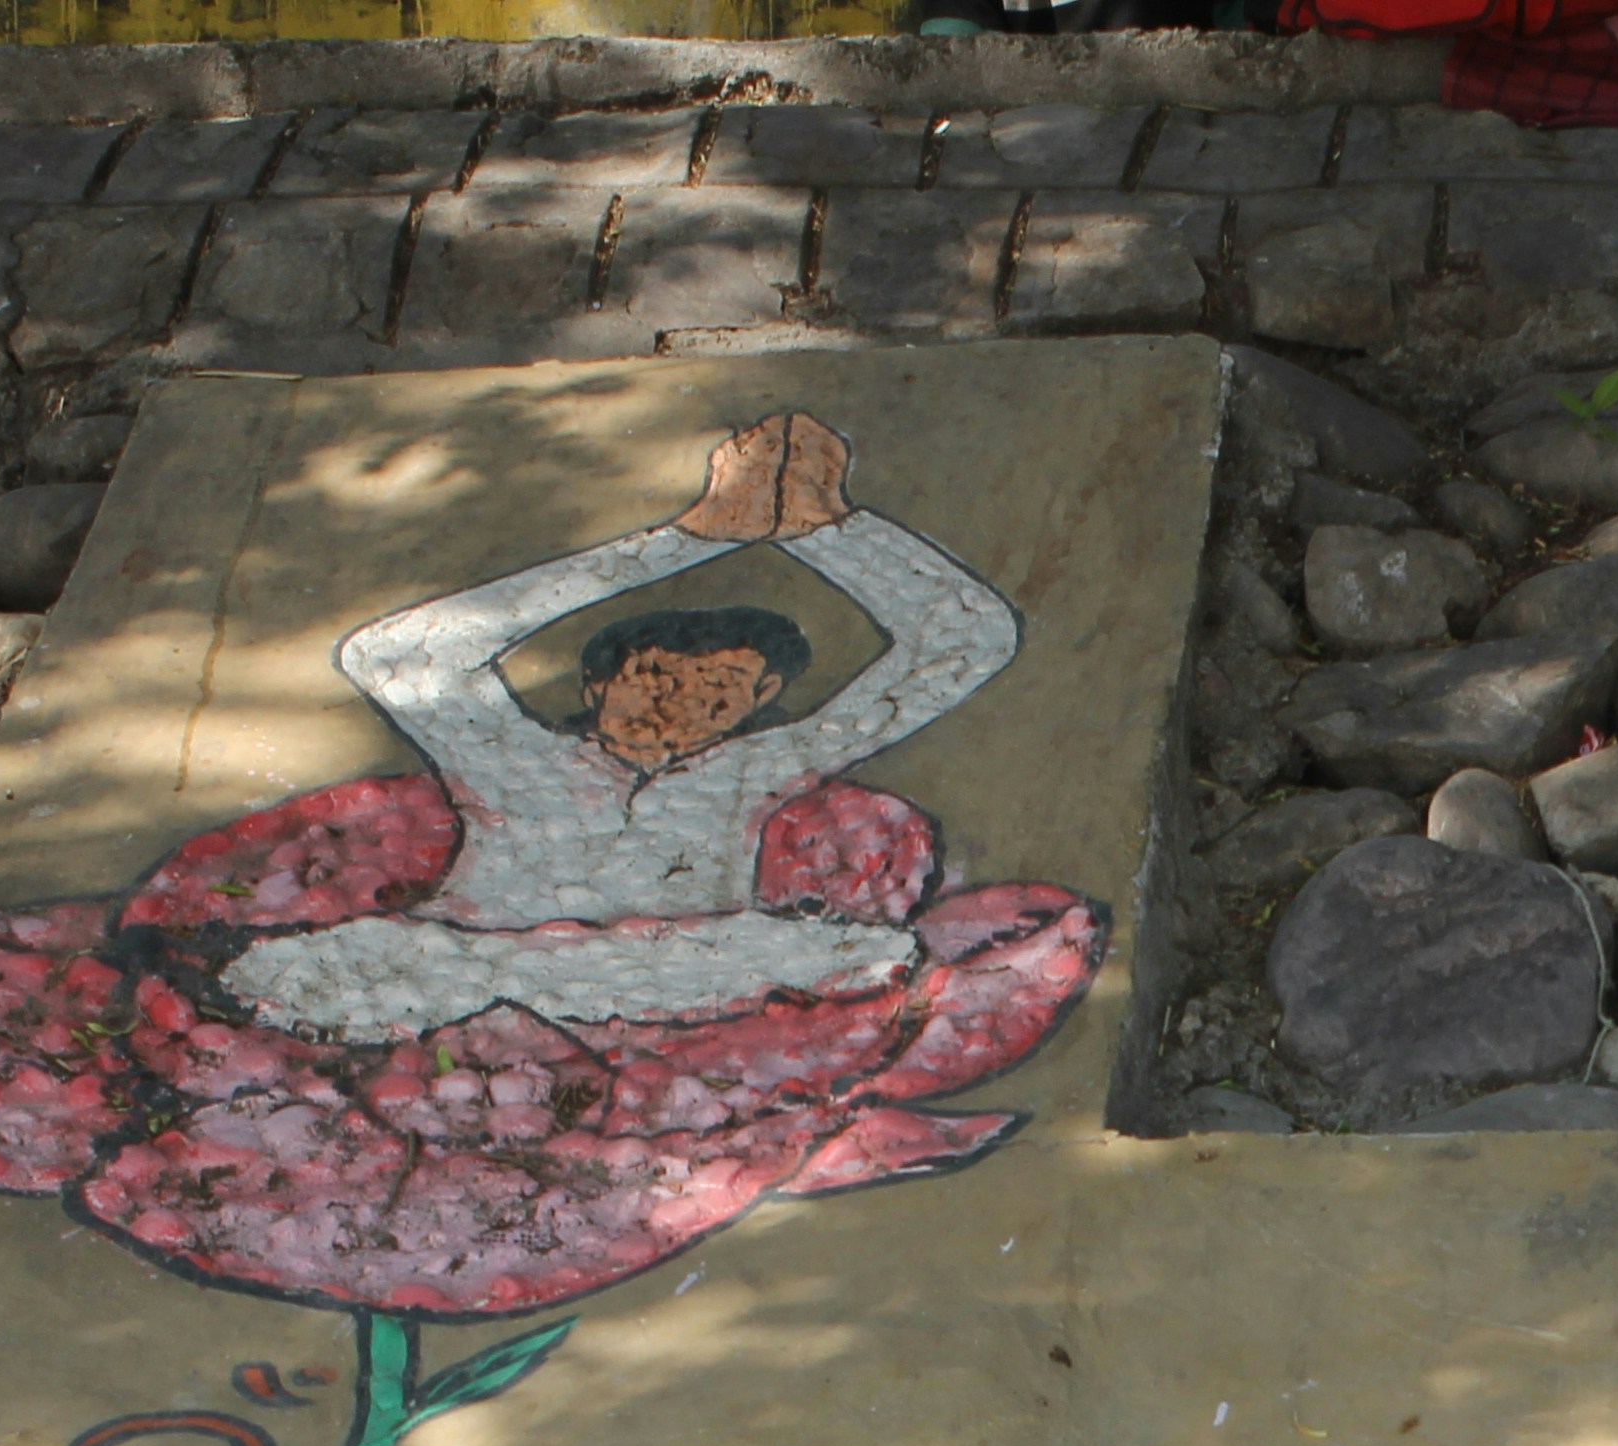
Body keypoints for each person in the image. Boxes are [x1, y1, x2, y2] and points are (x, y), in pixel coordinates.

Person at [221, 411, 1025, 1046]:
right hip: (477, 961)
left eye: (721, 690)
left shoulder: (757, 767)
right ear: (597, 682)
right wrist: (685, 540)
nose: (681, 705)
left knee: (856, 964)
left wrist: (831, 528)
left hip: (676, 968)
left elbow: (966, 641)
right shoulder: (512, 756)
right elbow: (393, 653)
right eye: (656, 679)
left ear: (764, 699)